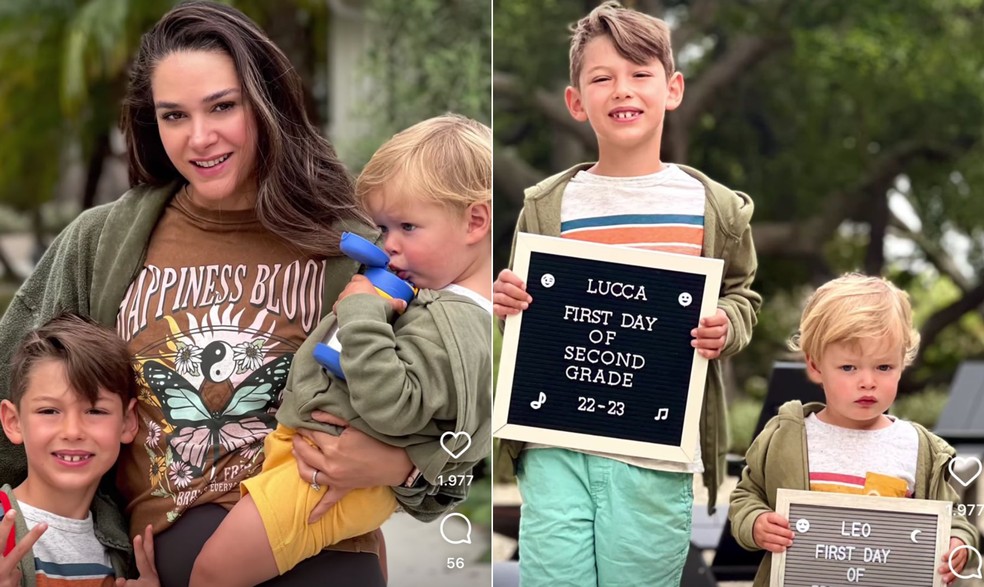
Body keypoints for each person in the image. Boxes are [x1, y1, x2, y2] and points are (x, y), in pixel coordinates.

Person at [0, 2, 464, 585]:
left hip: (325, 559)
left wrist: (404, 465)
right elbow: (14, 393)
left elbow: (459, 426)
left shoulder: (357, 249)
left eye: (222, 106)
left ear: (266, 104)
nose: (200, 137)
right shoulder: (102, 242)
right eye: (174, 115)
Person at [491, 2, 761, 585]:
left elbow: (742, 294)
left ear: (673, 89)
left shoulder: (711, 207)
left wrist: (726, 324)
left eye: (640, 74)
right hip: (555, 440)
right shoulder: (548, 204)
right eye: (602, 77)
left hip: (657, 453)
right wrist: (508, 302)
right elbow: (524, 316)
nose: (623, 89)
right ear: (575, 100)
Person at [189, 114, 492, 586]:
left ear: (475, 221)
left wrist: (362, 313)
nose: (388, 246)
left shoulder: (455, 323)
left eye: (408, 227)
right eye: (382, 228)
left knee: (212, 573)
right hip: (322, 465)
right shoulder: (441, 302)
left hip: (327, 478)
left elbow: (396, 406)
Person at [729, 273, 979, 586]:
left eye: (884, 367)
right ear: (816, 366)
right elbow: (746, 496)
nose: (868, 381)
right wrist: (755, 523)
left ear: (903, 364)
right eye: (849, 367)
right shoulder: (787, 437)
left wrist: (957, 542)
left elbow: (954, 516)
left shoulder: (918, 448)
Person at [0, 314, 157, 587]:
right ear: (14, 422)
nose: (72, 431)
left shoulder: (124, 548)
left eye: (95, 411)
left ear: (127, 422)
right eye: (49, 411)